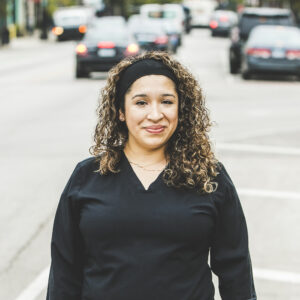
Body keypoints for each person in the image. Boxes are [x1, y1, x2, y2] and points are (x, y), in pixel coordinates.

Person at [46, 51, 256, 300]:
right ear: (120, 111)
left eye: (167, 101)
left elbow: (236, 271)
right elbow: (64, 274)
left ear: (181, 108)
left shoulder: (209, 177)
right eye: (141, 102)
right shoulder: (87, 176)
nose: (155, 115)